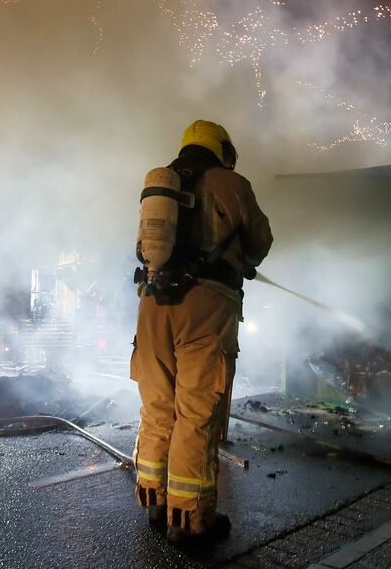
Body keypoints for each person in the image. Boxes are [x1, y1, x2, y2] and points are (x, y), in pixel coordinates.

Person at [130, 119, 273, 544]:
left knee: (157, 408)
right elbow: (261, 243)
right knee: (195, 414)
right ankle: (190, 522)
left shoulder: (164, 184)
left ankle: (155, 502)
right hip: (205, 307)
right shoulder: (233, 184)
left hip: (152, 304)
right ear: (222, 149)